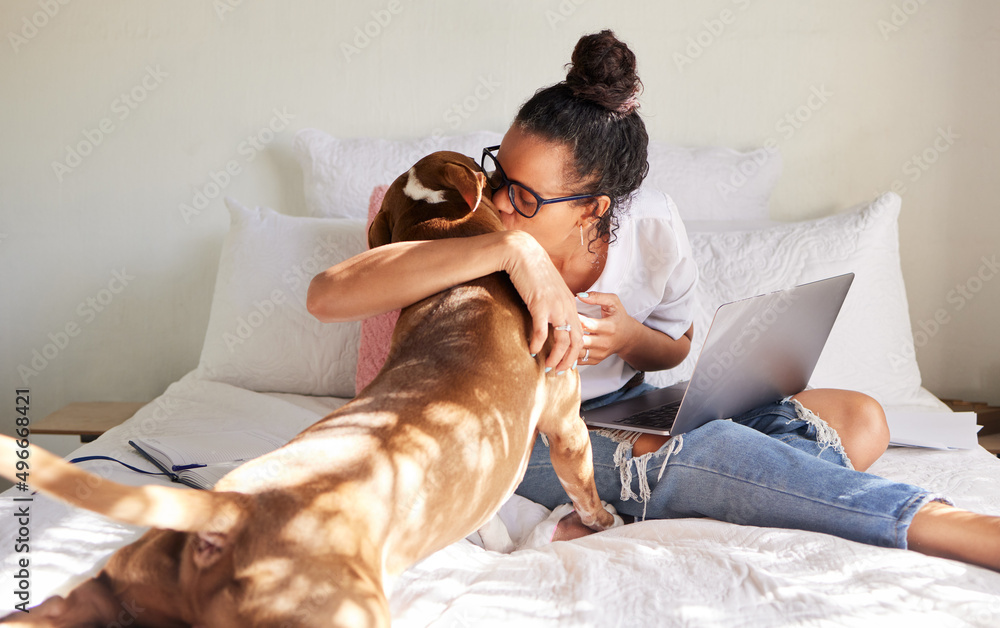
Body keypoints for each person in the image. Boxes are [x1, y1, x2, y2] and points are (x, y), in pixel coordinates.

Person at [308, 30, 1000, 571]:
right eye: (498, 173)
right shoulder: (475, 226)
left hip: (632, 408)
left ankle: (717, 479)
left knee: (862, 416)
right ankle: (932, 521)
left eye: (525, 196)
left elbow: (677, 345)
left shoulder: (653, 226)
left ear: (593, 209)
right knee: (701, 451)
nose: (500, 202)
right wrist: (506, 251)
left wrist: (633, 338)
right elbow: (328, 295)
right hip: (534, 435)